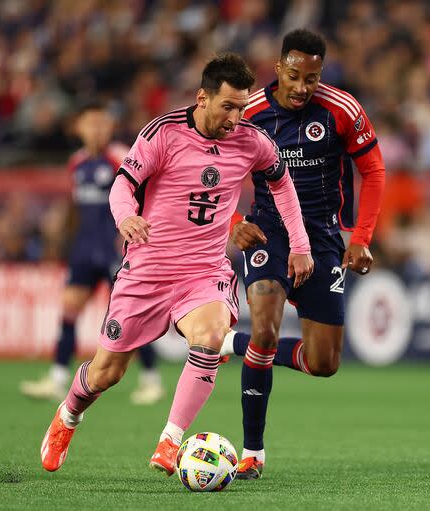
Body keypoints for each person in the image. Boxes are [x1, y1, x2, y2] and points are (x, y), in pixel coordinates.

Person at [39, 53, 314, 475]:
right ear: (203, 98)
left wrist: (300, 243)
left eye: (242, 107)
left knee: (209, 337)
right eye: (228, 106)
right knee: (106, 373)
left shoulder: (252, 141)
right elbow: (122, 187)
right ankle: (69, 415)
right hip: (147, 271)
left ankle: (169, 441)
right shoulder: (164, 133)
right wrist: (126, 216)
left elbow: (282, 184)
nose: (236, 117)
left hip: (204, 272)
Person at [222, 29, 386, 479]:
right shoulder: (249, 113)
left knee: (324, 363)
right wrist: (236, 224)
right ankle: (252, 452)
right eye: (293, 76)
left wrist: (361, 236)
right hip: (268, 232)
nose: (301, 87)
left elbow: (372, 170)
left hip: (324, 236)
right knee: (268, 329)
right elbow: (212, 172)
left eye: (311, 78)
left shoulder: (342, 109)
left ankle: (231, 342)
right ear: (277, 69)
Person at [20, 101, 164, 405]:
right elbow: (76, 207)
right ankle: (58, 377)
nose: (96, 129)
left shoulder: (122, 157)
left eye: (102, 123)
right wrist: (62, 238)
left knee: (130, 316)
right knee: (69, 308)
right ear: (80, 127)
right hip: (85, 247)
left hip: (117, 247)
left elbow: (145, 194)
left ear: (110, 127)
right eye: (90, 123)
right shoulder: (77, 162)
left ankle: (152, 379)